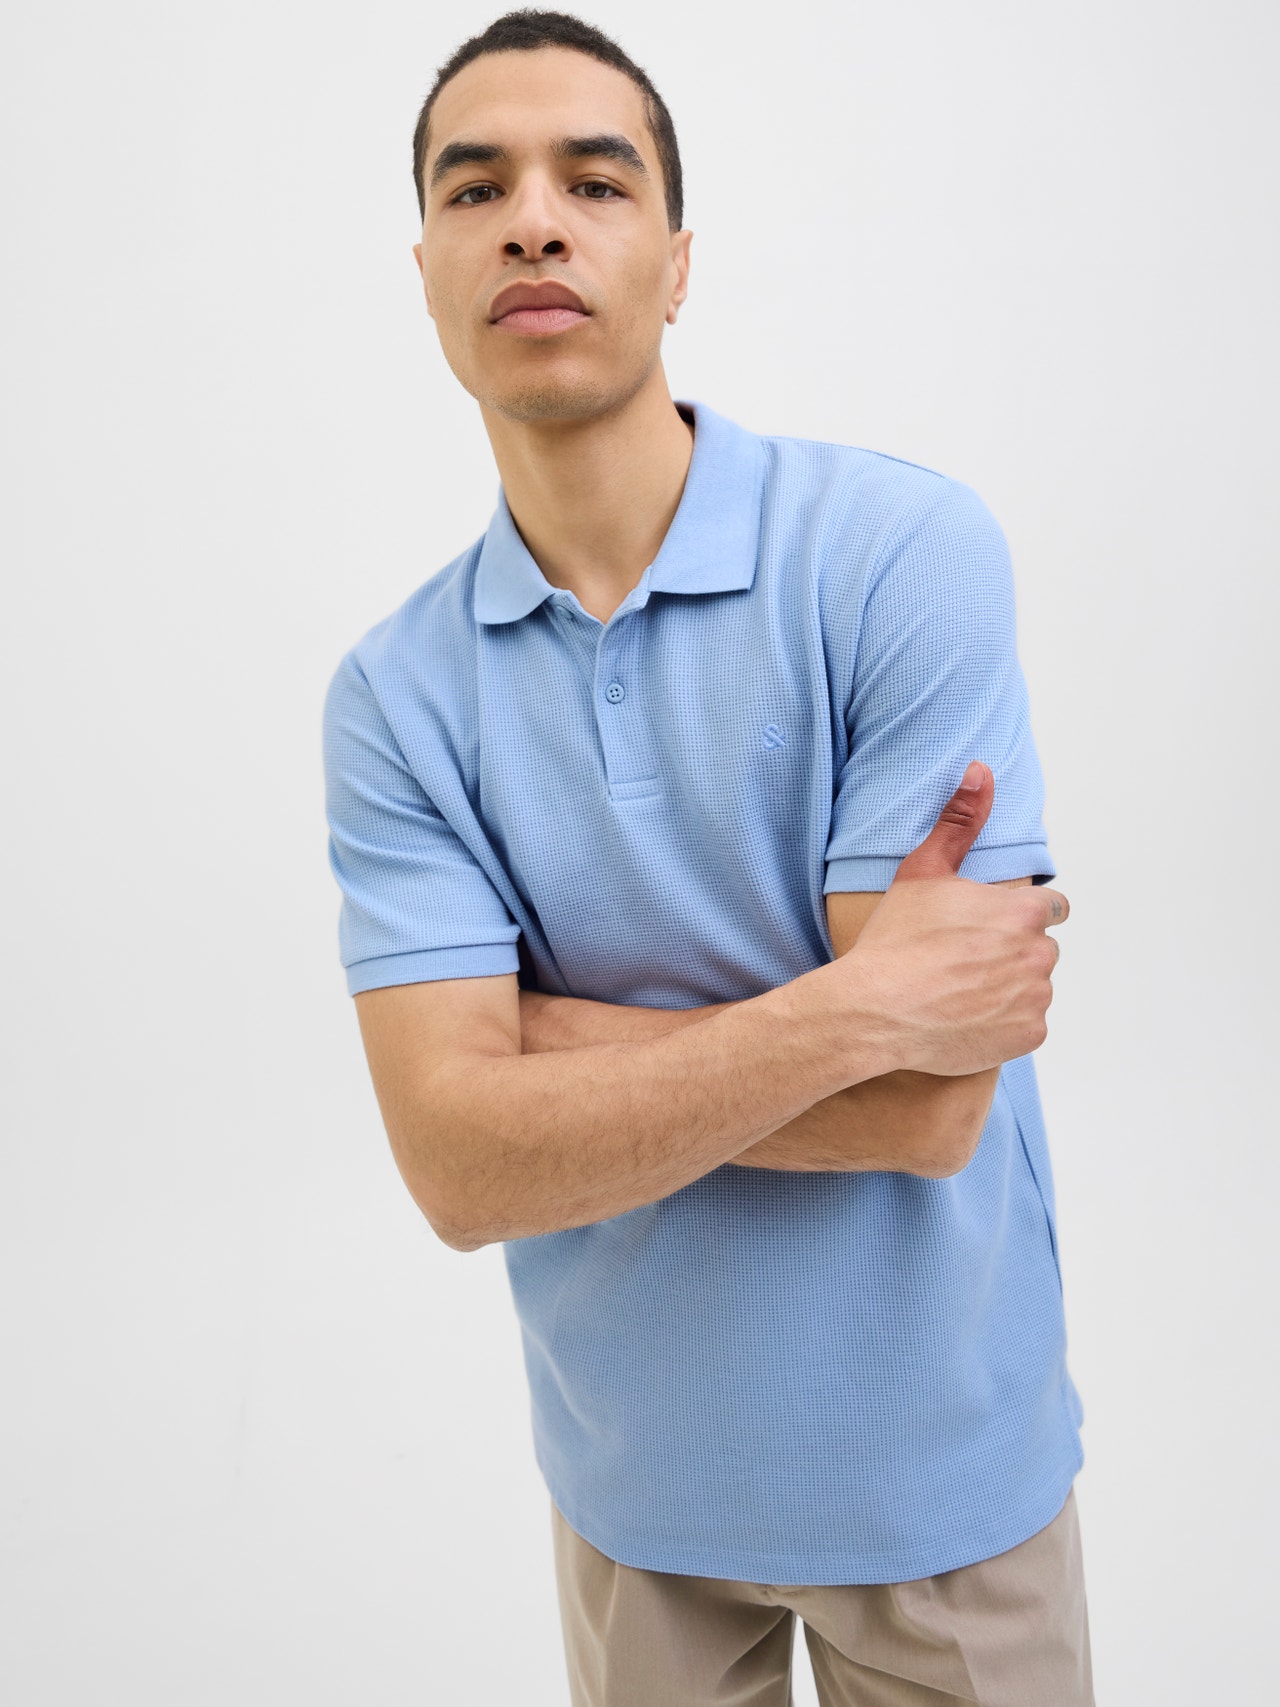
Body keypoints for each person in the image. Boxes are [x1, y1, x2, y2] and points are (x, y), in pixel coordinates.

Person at [322, 11, 1090, 1704]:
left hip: (944, 1489)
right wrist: (854, 1010)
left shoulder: (893, 554)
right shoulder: (395, 697)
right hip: (631, 1499)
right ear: (428, 273)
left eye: (594, 182)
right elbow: (457, 1173)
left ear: (676, 265)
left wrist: (541, 1046)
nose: (534, 221)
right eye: (477, 188)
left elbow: (932, 1108)